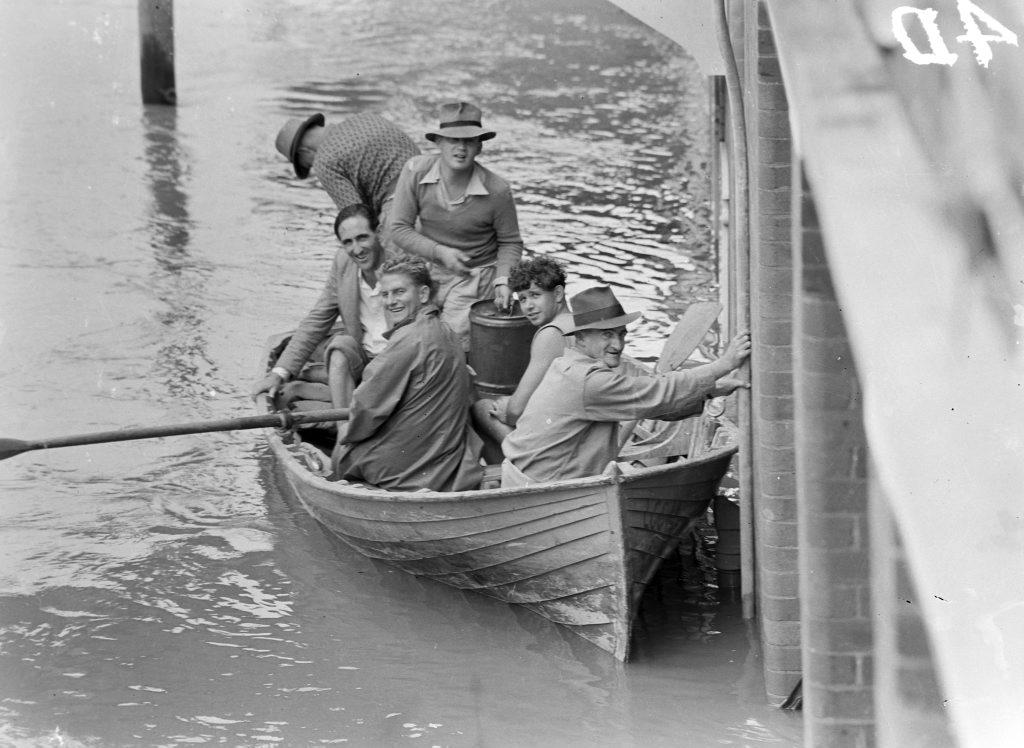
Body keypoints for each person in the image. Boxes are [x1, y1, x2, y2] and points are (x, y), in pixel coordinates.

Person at [501, 286, 751, 487]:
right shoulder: (589, 381)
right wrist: (723, 364)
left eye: (621, 334)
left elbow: (656, 407)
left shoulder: (567, 365)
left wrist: (710, 390)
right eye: (607, 335)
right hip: (536, 490)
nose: (618, 345)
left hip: (523, 479)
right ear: (581, 338)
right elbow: (658, 393)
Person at [334, 256, 483, 491]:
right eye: (385, 294)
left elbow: (366, 407)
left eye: (399, 292)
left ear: (423, 295)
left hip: (412, 466)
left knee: (341, 450)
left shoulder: (408, 339)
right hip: (445, 459)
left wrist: (346, 433)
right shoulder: (447, 330)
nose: (390, 302)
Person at [250, 204, 392, 449]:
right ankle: (344, 438)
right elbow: (318, 318)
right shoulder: (343, 264)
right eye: (347, 242)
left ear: (378, 232)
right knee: (338, 348)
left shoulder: (400, 263)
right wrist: (278, 373)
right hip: (365, 360)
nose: (356, 249)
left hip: (398, 360)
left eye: (362, 238)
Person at [389, 101, 524, 349]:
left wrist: (503, 280)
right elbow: (398, 228)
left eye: (469, 141)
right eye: (453, 140)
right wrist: (438, 252)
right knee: (408, 337)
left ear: (480, 146)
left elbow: (510, 242)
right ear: (438, 143)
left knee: (448, 344)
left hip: (475, 274)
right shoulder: (415, 172)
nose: (461, 148)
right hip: (427, 268)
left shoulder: (497, 190)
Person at [471, 256, 573, 455]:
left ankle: (514, 469)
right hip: (571, 428)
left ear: (558, 293)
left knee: (482, 407)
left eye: (535, 295)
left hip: (557, 443)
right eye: (523, 298)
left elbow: (516, 412)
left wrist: (506, 409)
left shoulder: (551, 334)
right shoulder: (580, 324)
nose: (528, 306)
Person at [274, 111, 420, 240]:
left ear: (304, 151)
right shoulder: (364, 117)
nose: (312, 167)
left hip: (400, 206)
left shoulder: (323, 161)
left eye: (307, 165)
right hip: (431, 181)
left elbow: (357, 218)